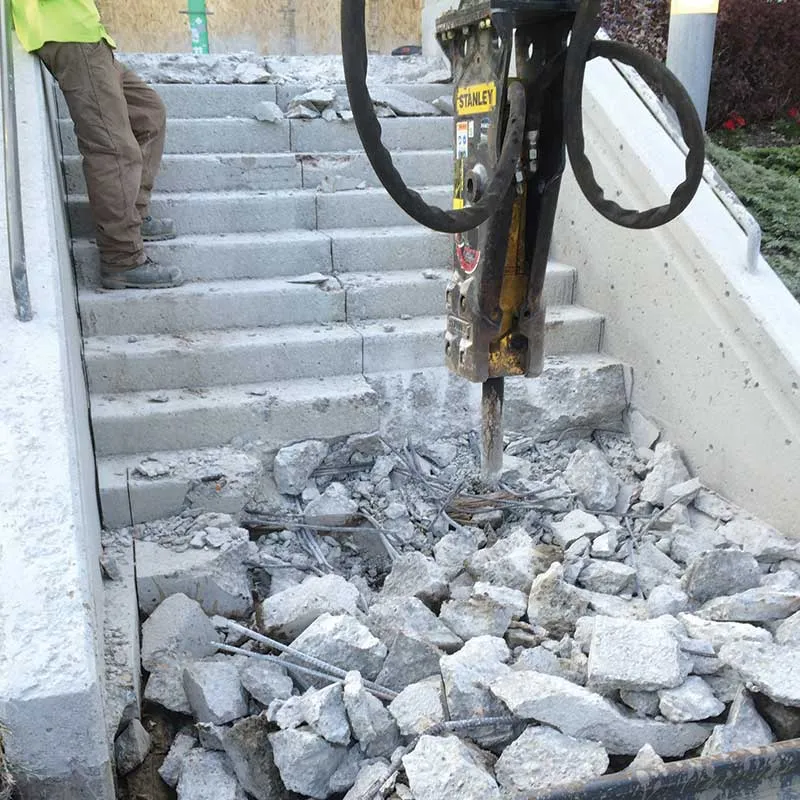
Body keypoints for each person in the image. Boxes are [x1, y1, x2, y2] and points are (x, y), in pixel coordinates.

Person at [10, 0, 184, 289]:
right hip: (65, 33)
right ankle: (122, 257)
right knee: (112, 148)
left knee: (148, 113)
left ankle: (134, 216)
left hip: (88, 34)